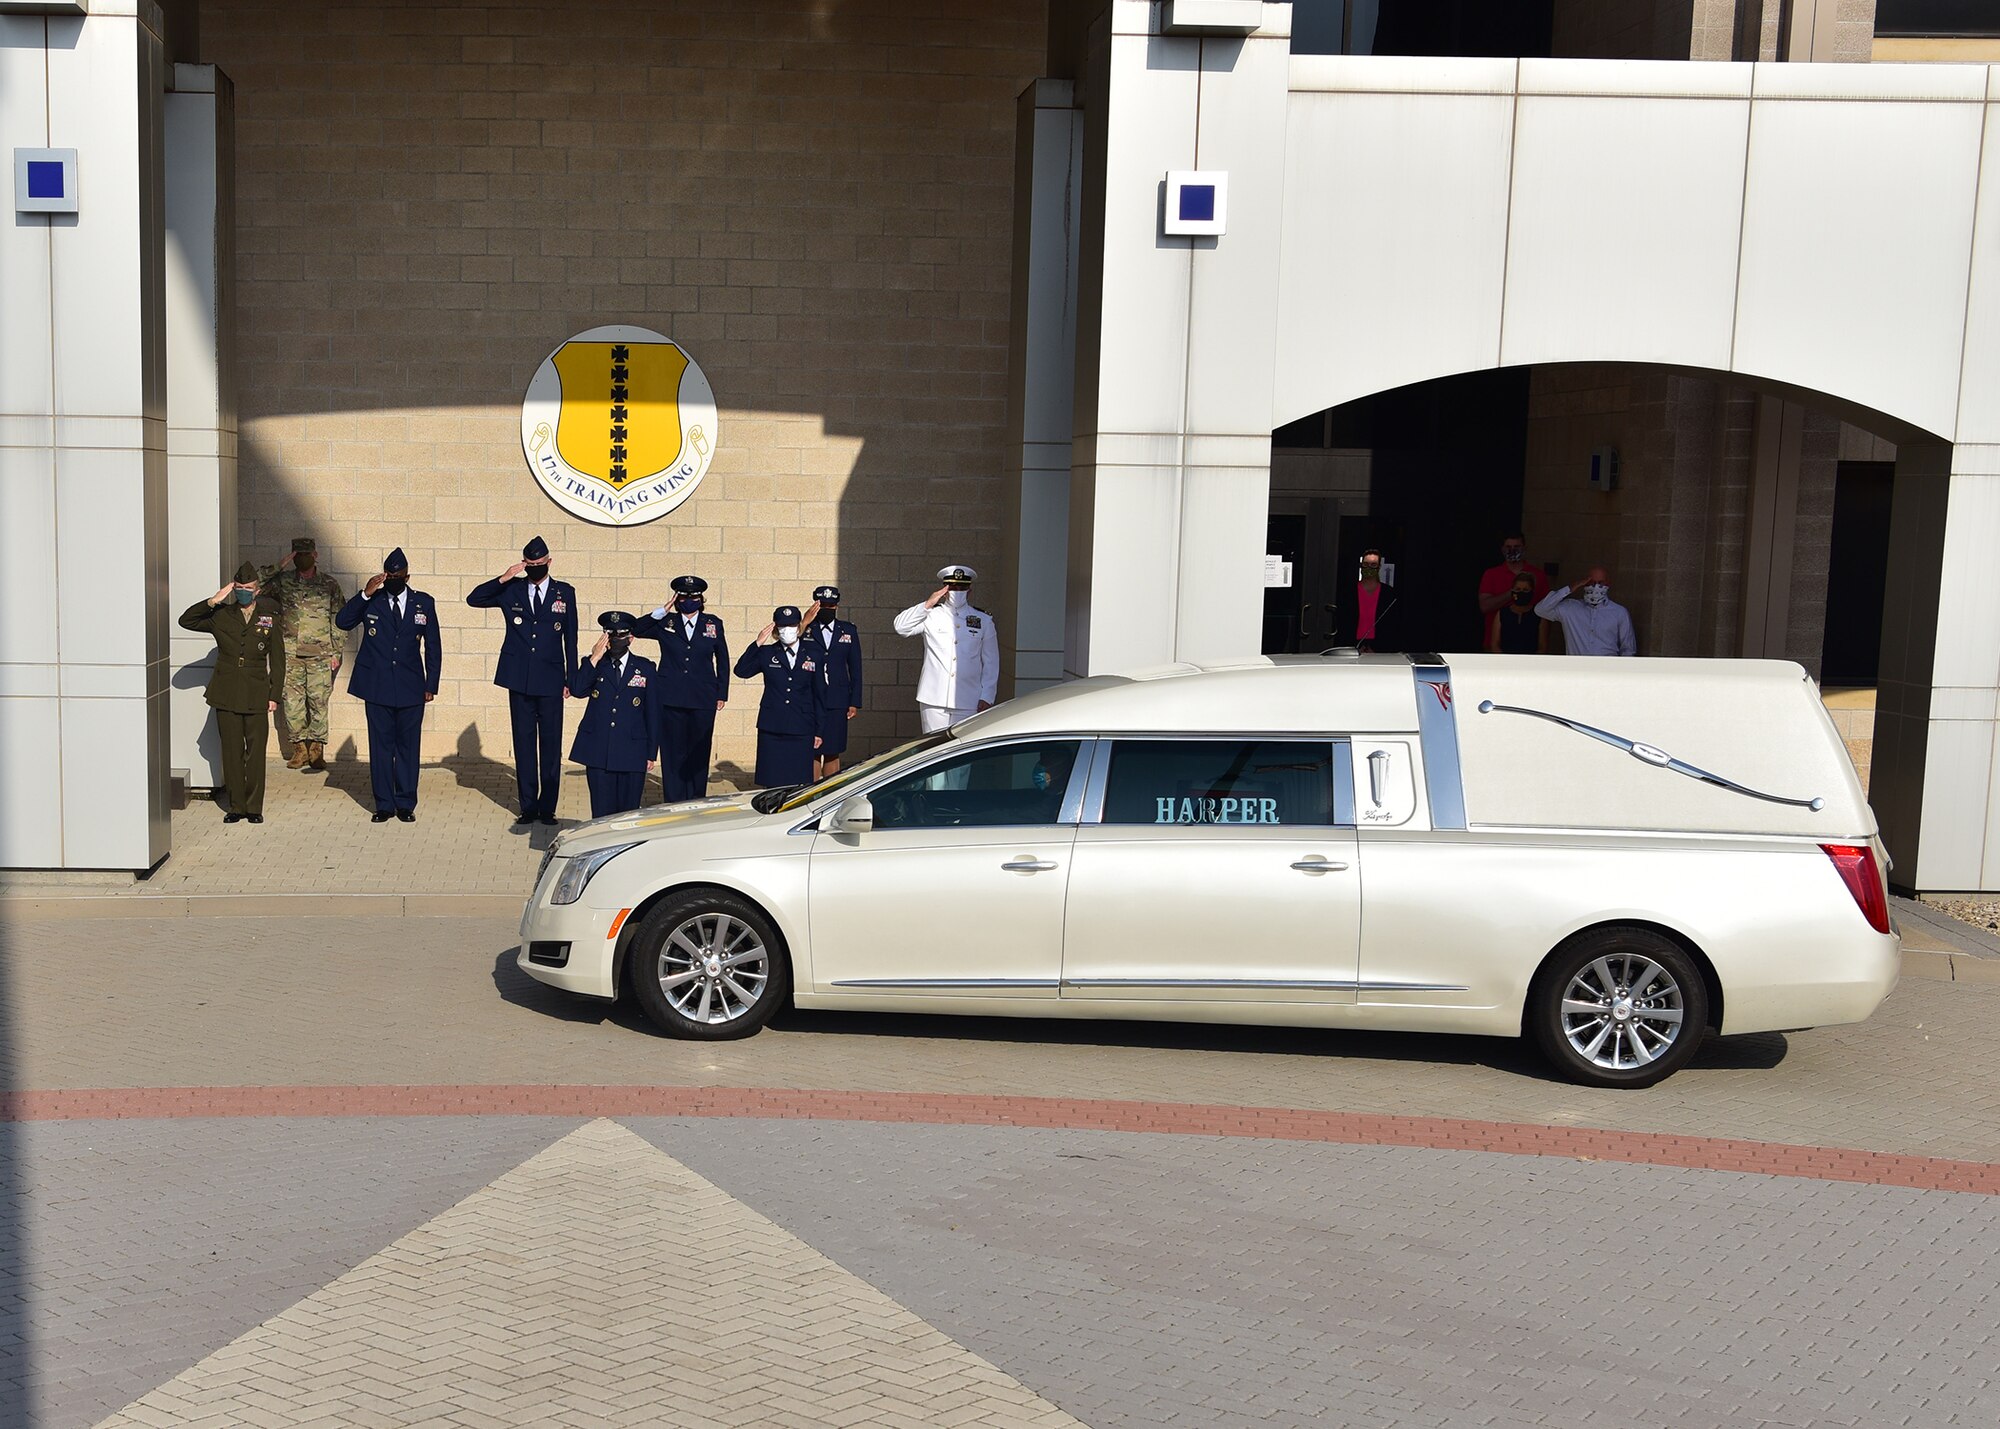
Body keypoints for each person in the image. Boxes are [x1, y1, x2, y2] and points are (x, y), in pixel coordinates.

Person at [467, 535, 579, 826]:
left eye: (539, 564)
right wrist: (503, 578)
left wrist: (572, 679)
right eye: (530, 564)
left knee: (551, 746)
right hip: (520, 679)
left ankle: (548, 808)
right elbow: (474, 599)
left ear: (549, 562)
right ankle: (528, 807)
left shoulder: (564, 593)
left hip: (552, 680)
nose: (535, 568)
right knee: (524, 744)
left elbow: (572, 639)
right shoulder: (512, 590)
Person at [335, 547, 442, 822]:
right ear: (384, 576)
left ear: (407, 577)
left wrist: (431, 684)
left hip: (411, 687)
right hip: (377, 686)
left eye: (398, 575)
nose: (394, 579)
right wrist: (365, 593)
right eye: (389, 575)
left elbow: (433, 647)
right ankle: (383, 804)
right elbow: (343, 621)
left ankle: (405, 803)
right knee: (381, 747)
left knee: (408, 746)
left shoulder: (424, 603)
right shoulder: (373, 601)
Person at [178, 561, 285, 824]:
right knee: (232, 751)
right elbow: (186, 620)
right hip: (226, 692)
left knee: (256, 752)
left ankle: (254, 807)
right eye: (239, 588)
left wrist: (274, 695)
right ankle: (236, 807)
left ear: (257, 590)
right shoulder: (222, 616)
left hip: (257, 692)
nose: (243, 592)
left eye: (248, 588)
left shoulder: (268, 618)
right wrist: (213, 601)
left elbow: (279, 660)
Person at [635, 574, 729, 800]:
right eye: (683, 597)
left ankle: (696, 799)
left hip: (702, 697)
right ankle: (674, 799)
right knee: (672, 752)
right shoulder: (666, 623)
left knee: (698, 751)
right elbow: (636, 629)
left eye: (693, 596)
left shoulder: (713, 624)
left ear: (701, 599)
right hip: (670, 697)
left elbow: (723, 659)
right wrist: (662, 611)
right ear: (677, 599)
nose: (689, 601)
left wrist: (722, 692)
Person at [256, 536, 344, 772]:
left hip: (321, 654)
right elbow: (254, 585)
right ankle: (299, 749)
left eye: (306, 554)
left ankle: (316, 749)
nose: (302, 559)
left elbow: (339, 619)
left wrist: (336, 651)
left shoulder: (329, 584)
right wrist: (280, 565)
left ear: (315, 555)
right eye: (298, 555)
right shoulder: (283, 582)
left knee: (318, 702)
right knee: (292, 703)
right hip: (289, 653)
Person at [568, 611, 660, 819]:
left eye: (620, 635)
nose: (615, 640)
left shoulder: (645, 668)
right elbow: (577, 690)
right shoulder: (594, 664)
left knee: (628, 814)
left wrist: (651, 752)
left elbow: (653, 713)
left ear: (630, 638)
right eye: (610, 635)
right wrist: (594, 657)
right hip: (599, 751)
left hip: (632, 750)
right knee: (601, 814)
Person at [893, 564, 998, 732]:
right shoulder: (931, 615)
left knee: (963, 749)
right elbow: (901, 627)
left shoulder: (983, 620)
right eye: (953, 587)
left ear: (969, 590)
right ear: (945, 589)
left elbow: (991, 661)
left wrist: (987, 696)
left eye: (962, 587)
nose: (957, 591)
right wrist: (927, 604)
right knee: (933, 747)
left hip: (969, 699)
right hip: (934, 698)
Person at [734, 605, 824, 789]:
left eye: (791, 625)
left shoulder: (813, 654)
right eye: (782, 626)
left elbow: (820, 693)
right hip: (772, 726)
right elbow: (741, 671)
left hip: (802, 725)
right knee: (772, 779)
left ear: (799, 626)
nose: (787, 630)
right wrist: (757, 644)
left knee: (798, 780)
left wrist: (819, 730)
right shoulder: (767, 653)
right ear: (775, 628)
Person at [802, 583, 863, 779]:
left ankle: (829, 793)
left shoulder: (848, 630)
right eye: (822, 605)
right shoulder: (805, 630)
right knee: (812, 748)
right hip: (810, 698)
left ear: (836, 606)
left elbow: (855, 668)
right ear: (815, 605)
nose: (826, 609)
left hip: (837, 699)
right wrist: (803, 624)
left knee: (832, 749)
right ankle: (809, 792)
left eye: (830, 606)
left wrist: (854, 701)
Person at [1535, 565, 1637, 656]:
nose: (1596, 586)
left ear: (1608, 584)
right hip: (1577, 672)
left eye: (1601, 583)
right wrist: (1570, 588)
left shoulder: (1619, 612)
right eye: (1591, 582)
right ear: (1584, 583)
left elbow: (1628, 649)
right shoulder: (1570, 608)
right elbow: (1540, 609)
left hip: (1606, 672)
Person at [1477, 533, 1550, 650]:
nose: (1512, 550)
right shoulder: (1491, 574)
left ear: (1524, 548)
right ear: (1502, 549)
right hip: (1496, 643)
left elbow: (1547, 608)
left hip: (1531, 644)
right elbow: (1485, 606)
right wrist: (1514, 593)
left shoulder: (1538, 575)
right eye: (1508, 547)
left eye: (1517, 547)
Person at [1332, 549, 1399, 652]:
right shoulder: (1349, 591)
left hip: (1380, 648)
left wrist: (1377, 648)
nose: (1369, 568)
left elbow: (1391, 626)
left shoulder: (1388, 594)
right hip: (1351, 645)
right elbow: (1343, 621)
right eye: (1366, 564)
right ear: (1361, 565)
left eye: (1373, 565)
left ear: (1379, 567)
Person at [1488, 571, 1547, 654]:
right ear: (1512, 590)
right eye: (1518, 589)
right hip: (1505, 663)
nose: (1521, 592)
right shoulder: (1502, 613)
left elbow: (1542, 647)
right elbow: (1494, 644)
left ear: (1532, 591)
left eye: (1525, 590)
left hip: (1530, 663)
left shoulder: (1539, 615)